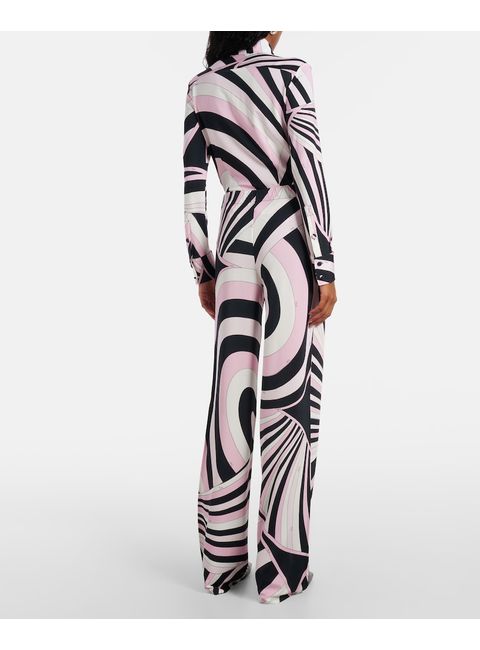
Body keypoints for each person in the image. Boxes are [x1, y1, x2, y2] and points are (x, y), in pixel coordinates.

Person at [183, 31, 337, 604]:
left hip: (233, 237)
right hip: (286, 233)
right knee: (288, 400)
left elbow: (192, 191)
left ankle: (220, 564)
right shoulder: (291, 71)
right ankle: (281, 571)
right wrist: (325, 262)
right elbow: (309, 168)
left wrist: (203, 270)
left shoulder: (201, 87)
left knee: (231, 396)